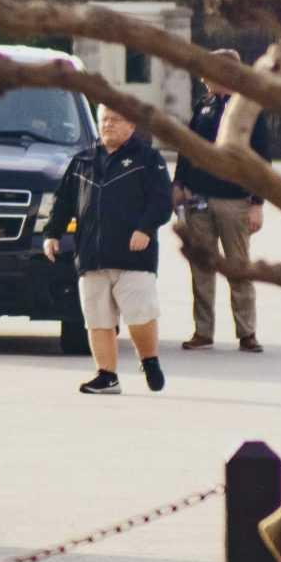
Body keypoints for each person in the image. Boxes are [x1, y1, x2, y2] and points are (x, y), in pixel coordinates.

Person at [45, 104, 173, 395]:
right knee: (97, 319)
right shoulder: (83, 161)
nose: (108, 125)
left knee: (140, 314)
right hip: (91, 255)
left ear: (132, 124)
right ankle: (106, 375)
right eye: (104, 120)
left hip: (134, 256)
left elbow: (162, 201)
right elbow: (63, 201)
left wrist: (145, 228)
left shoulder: (148, 159)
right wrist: (52, 233)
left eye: (115, 119)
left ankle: (149, 360)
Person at [173, 50, 269, 352]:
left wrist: (257, 203)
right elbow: (186, 149)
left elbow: (262, 159)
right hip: (199, 198)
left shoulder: (249, 109)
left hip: (235, 201)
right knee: (201, 267)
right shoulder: (203, 106)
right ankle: (203, 331)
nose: (203, 77)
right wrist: (179, 184)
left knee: (238, 267)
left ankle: (246, 332)